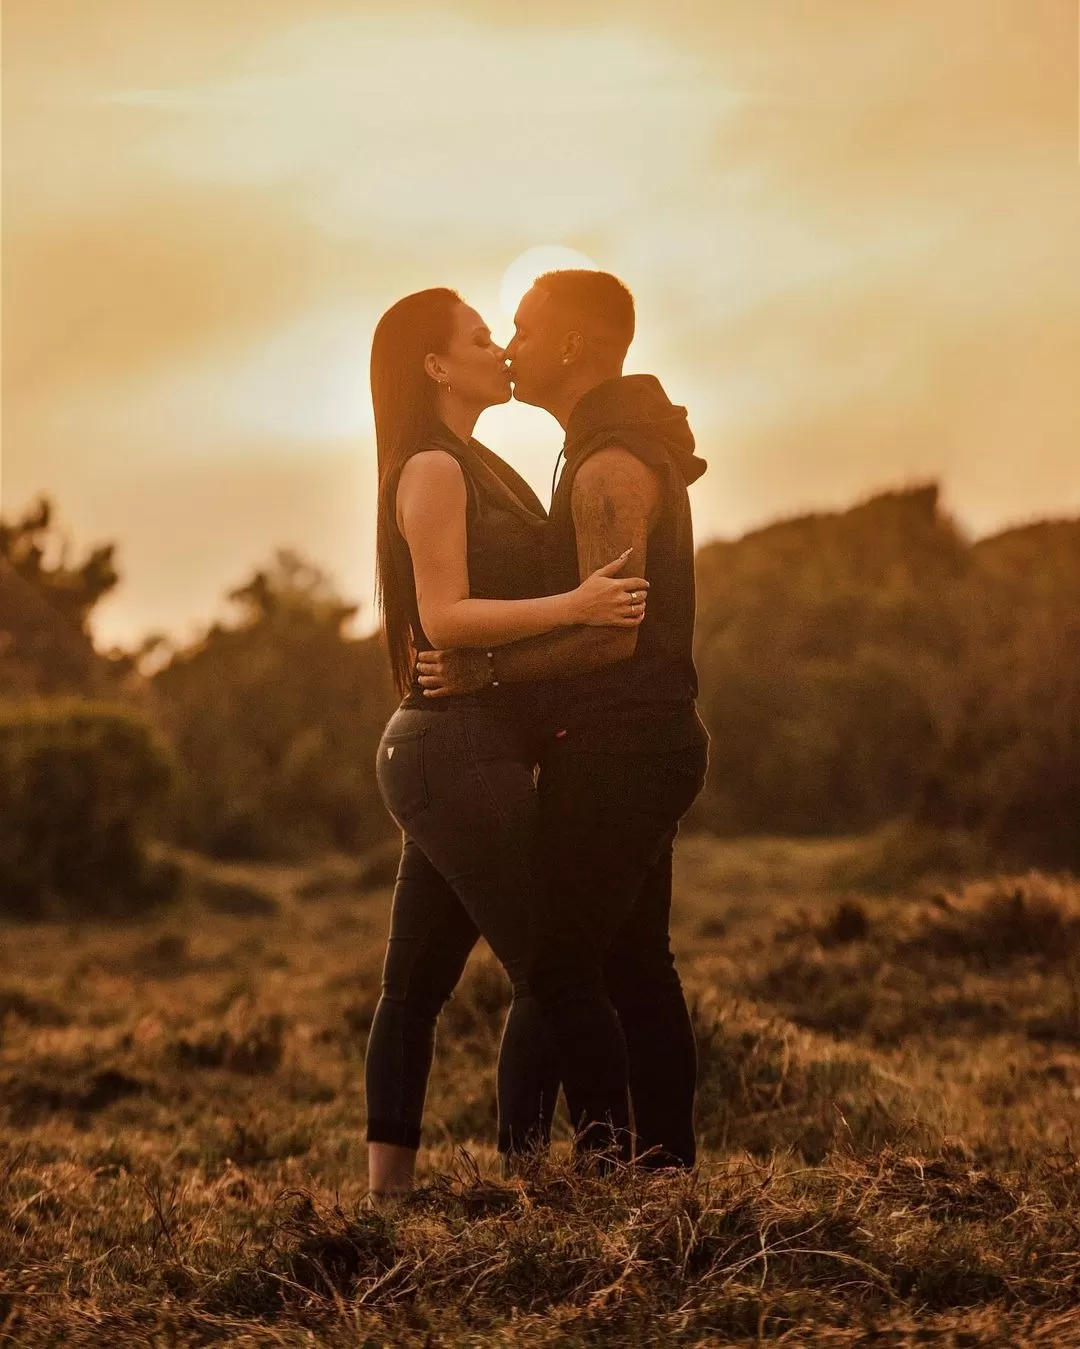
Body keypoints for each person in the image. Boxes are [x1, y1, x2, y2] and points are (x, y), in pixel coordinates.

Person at [418, 270, 710, 1170]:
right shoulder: (603, 448)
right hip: (637, 738)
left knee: (556, 961)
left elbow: (609, 637)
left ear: (575, 346)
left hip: (623, 743)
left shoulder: (611, 467)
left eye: (525, 327)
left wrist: (482, 665)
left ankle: (608, 1167)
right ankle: (662, 1173)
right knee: (634, 964)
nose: (511, 344)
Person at [364, 286, 650, 1198]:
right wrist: (577, 607)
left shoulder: (480, 465)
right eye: (482, 338)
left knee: (414, 988)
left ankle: (387, 1203)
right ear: (437, 367)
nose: (501, 349)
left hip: (455, 746)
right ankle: (620, 1187)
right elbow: (444, 616)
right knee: (564, 972)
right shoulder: (435, 470)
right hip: (451, 749)